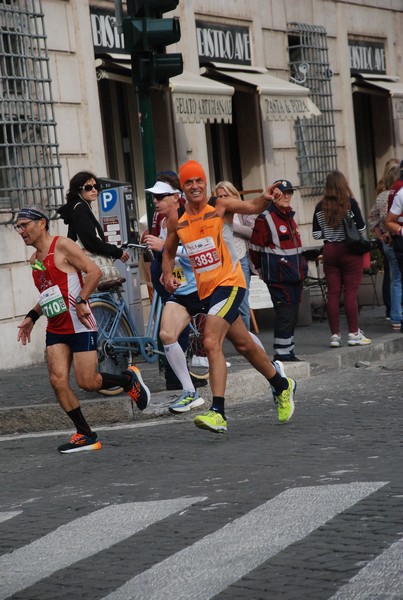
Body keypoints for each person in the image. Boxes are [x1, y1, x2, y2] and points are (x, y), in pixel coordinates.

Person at [162, 160, 296, 433]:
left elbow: (253, 207)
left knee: (211, 340)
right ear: (182, 188)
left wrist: (266, 198)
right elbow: (167, 251)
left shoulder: (220, 206)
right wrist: (168, 275)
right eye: (189, 182)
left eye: (199, 180)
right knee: (245, 345)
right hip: (207, 292)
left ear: (205, 183)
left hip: (231, 283)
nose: (195, 186)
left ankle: (218, 412)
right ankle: (283, 385)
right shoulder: (178, 218)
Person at [15, 206, 150, 454]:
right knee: (57, 381)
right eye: (18, 227)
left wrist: (81, 300)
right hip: (56, 327)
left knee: (88, 382)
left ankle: (127, 379)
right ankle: (85, 433)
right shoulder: (34, 260)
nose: (21, 230)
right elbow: (49, 295)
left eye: (24, 225)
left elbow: (94, 272)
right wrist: (32, 316)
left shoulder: (63, 245)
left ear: (41, 223)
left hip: (80, 324)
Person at [144, 179, 206, 413]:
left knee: (242, 339)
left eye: (161, 197)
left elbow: (199, 250)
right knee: (167, 334)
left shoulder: (188, 217)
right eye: (154, 197)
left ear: (175, 197)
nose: (156, 201)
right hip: (182, 291)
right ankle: (190, 392)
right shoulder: (163, 222)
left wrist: (165, 249)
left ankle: (276, 377)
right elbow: (169, 254)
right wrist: (166, 272)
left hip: (206, 287)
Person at [312, 170, 372, 348]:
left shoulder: (319, 207)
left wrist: (329, 231)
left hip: (330, 250)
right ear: (343, 184)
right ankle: (353, 333)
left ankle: (335, 336)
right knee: (350, 294)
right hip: (350, 251)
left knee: (332, 294)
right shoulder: (350, 204)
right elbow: (361, 229)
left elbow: (316, 235)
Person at [249, 179, 307, 361]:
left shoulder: (288, 216)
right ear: (273, 196)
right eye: (282, 193)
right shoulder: (265, 218)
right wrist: (260, 270)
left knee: (292, 314)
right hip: (279, 276)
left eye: (289, 192)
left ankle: (287, 350)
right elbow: (255, 249)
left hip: (295, 275)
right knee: (285, 314)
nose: (287, 196)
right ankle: (282, 354)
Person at [57, 171, 129, 287]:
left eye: (96, 187)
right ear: (78, 190)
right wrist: (117, 251)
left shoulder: (81, 207)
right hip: (90, 267)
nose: (94, 190)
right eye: (89, 187)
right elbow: (91, 242)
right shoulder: (80, 209)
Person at [214, 181, 255, 330]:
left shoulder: (243, 210)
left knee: (243, 304)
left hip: (241, 260)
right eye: (220, 196)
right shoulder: (214, 213)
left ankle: (248, 341)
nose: (224, 199)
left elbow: (252, 232)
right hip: (221, 264)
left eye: (227, 195)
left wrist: (231, 225)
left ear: (234, 195)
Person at [368, 163, 402, 329]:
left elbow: (372, 218)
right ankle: (397, 313)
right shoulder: (397, 194)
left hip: (386, 240)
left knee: (392, 276)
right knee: (397, 278)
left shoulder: (381, 196)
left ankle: (391, 312)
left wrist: (380, 236)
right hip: (396, 237)